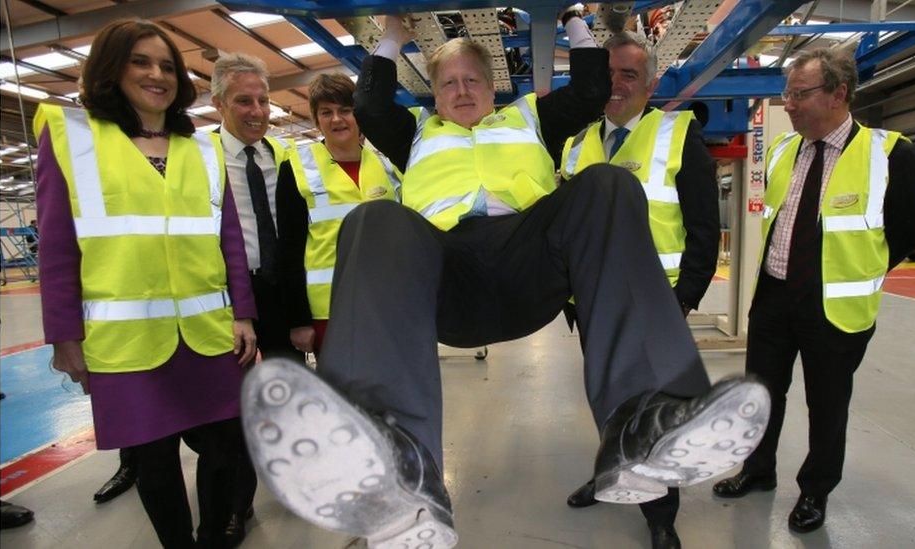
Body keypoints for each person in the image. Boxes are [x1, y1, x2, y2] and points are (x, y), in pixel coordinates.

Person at [241, 13, 769, 548]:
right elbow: (372, 106)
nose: (461, 89)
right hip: (449, 275)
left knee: (607, 185)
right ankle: (398, 462)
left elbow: (589, 89)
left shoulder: (528, 119)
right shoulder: (416, 132)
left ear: (492, 90)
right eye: (448, 82)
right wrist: (393, 35)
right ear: (435, 95)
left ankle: (645, 419)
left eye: (473, 80)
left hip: (528, 260)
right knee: (372, 219)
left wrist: (575, 21)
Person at [35, 18, 257, 548]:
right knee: (155, 461)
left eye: (166, 65)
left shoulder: (201, 149)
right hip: (128, 341)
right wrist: (64, 336)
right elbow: (57, 245)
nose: (157, 74)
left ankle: (214, 538)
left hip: (206, 331)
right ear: (111, 69)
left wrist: (243, 314)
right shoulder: (73, 137)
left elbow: (228, 237)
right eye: (141, 61)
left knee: (229, 447)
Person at [711, 48, 915, 534]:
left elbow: (908, 232)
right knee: (762, 393)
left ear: (838, 94)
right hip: (774, 297)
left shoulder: (889, 153)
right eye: (786, 93)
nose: (789, 103)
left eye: (800, 93)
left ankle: (815, 490)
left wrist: (854, 268)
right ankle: (757, 470)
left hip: (834, 307)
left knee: (826, 403)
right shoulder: (786, 150)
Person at [559, 31, 720, 549]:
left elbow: (703, 227)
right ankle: (610, 475)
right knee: (608, 401)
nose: (616, 84)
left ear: (650, 84)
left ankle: (660, 514)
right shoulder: (574, 144)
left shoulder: (677, 135)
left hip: (657, 305)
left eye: (628, 74)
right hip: (594, 305)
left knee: (655, 412)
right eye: (607, 74)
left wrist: (685, 297)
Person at [277, 72, 400, 356]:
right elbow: (289, 250)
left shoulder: (386, 165)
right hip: (328, 312)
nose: (336, 119)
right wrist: (298, 320)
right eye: (326, 112)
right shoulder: (296, 168)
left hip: (386, 305)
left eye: (346, 110)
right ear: (316, 119)